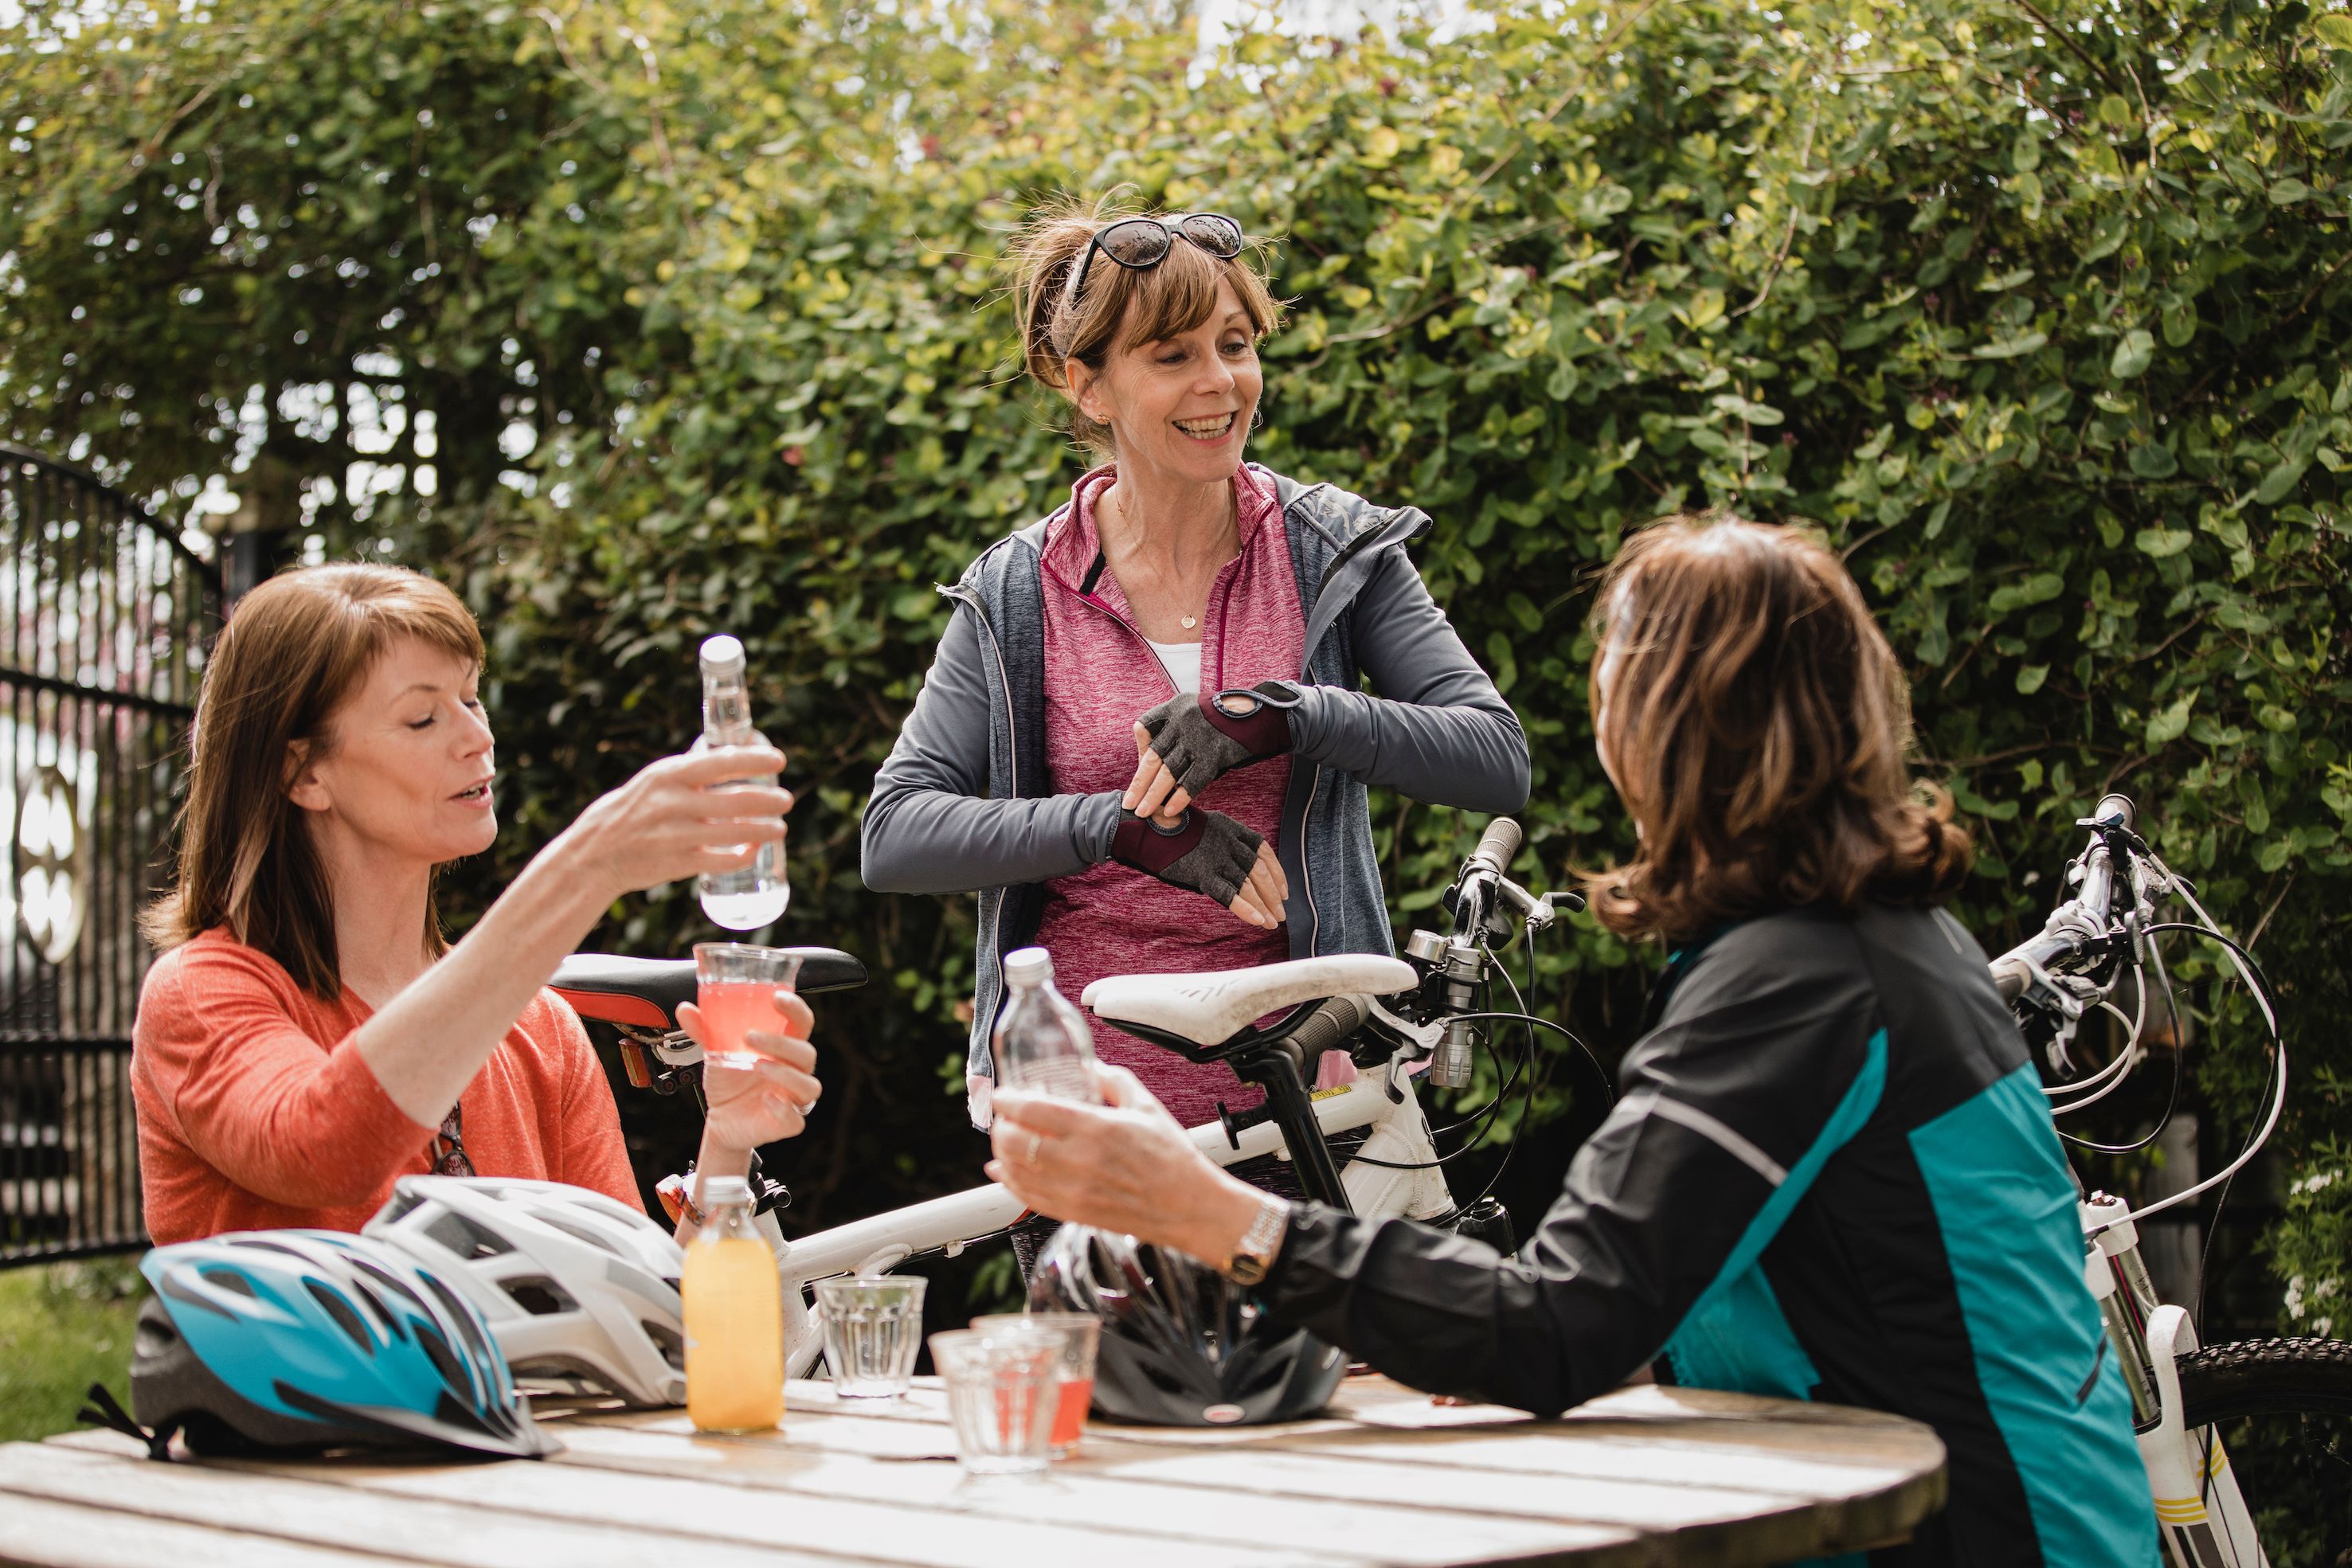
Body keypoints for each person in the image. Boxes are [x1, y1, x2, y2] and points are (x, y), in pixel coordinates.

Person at [985, 515, 2161, 1565]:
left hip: (1980, 1530)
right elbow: (1700, 1284)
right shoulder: (1871, 937)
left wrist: (1195, 1207)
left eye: (1612, 666)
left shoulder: (1796, 981)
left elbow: (1559, 1323)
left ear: (1658, 716)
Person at [861, 195, 1529, 1149]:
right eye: (1173, 357)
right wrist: (1119, 829)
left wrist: (1286, 714)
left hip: (1317, 1085)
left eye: (1235, 344)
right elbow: (896, 833)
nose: (1220, 382)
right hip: (1089, 1102)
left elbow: (1495, 759)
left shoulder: (1331, 548)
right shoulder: (1018, 592)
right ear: (1085, 384)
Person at [132, 564, 820, 1245]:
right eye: (424, 716)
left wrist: (725, 1152)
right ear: (304, 770)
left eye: (472, 698)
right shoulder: (202, 994)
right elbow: (323, 1147)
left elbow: (639, 1321)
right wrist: (586, 865)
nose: (477, 737)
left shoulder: (541, 1026)